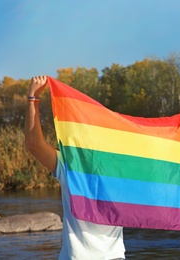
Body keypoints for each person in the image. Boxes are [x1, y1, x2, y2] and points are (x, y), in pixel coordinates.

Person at [24, 75, 125, 260]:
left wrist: (33, 98)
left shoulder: (72, 166)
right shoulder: (121, 168)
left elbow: (34, 145)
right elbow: (34, 145)